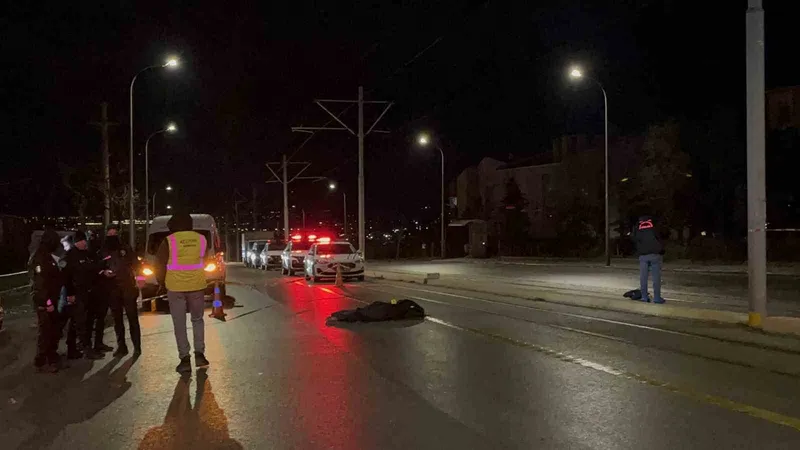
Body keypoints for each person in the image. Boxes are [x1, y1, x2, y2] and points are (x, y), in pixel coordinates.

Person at [155, 213, 210, 373]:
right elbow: (205, 260)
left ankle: (185, 359)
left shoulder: (169, 240)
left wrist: (161, 283)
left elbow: (159, 264)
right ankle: (200, 354)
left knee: (179, 323)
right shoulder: (201, 239)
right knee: (198, 320)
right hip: (197, 285)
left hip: (175, 287)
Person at [98, 225, 141, 357]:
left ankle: (137, 347)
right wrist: (104, 272)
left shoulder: (126, 248)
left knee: (132, 318)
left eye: (114, 234)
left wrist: (139, 281)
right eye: (110, 234)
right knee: (117, 319)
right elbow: (98, 267)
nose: (112, 236)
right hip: (112, 288)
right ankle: (122, 347)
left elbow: (136, 264)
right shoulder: (103, 251)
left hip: (128, 287)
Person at [63, 230, 104, 360]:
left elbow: (92, 269)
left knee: (81, 321)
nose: (85, 243)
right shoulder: (71, 256)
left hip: (88, 292)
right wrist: (70, 293)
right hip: (77, 293)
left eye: (85, 240)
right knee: (80, 322)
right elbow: (67, 277)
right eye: (82, 241)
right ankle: (85, 349)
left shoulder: (86, 254)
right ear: (77, 242)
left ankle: (74, 349)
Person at [29, 229, 65, 373]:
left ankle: (52, 356)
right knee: (45, 332)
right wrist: (47, 303)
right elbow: (40, 284)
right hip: (45, 302)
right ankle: (42, 361)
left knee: (53, 331)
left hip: (52, 299)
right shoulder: (40, 258)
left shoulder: (47, 256)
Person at [85, 230, 113, 353]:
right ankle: (88, 345)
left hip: (103, 289)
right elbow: (89, 270)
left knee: (100, 318)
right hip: (92, 290)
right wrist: (101, 272)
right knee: (91, 319)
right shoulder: (88, 254)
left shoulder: (102, 252)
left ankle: (98, 343)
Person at [632, 215, 666, 304]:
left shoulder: (637, 229)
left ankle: (644, 297)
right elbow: (661, 238)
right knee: (656, 277)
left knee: (643, 277)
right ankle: (657, 298)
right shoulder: (654, 228)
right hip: (655, 255)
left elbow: (634, 240)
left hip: (643, 256)